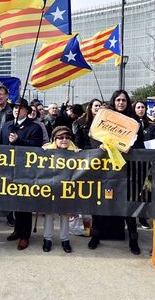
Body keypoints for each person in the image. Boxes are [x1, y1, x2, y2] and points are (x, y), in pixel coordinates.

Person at [88, 90, 143, 255]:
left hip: (127, 169)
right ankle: (95, 235)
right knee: (100, 202)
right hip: (106, 168)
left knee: (129, 204)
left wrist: (129, 145)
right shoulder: (104, 118)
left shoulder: (134, 122)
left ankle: (133, 239)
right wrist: (99, 146)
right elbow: (94, 137)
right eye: (118, 100)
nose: (121, 103)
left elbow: (140, 144)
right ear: (114, 101)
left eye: (124, 100)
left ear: (128, 102)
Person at [0, 98, 44, 250]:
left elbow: (36, 147)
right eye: (15, 107)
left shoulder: (34, 127)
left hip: (26, 171)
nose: (17, 110)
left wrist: (19, 141)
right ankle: (17, 230)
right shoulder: (7, 126)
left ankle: (25, 235)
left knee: (25, 204)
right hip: (9, 170)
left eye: (21, 107)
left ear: (27, 111)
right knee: (14, 202)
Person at [40, 125, 77, 253]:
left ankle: (65, 240)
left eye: (67, 137)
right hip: (50, 186)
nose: (64, 140)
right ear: (54, 139)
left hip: (66, 188)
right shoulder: (46, 151)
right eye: (60, 137)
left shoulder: (77, 152)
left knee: (65, 214)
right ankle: (47, 239)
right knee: (49, 213)